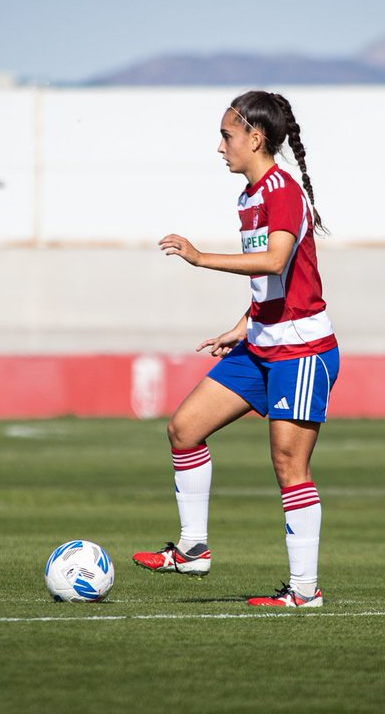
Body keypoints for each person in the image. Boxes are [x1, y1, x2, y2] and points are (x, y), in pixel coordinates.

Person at [132, 91, 340, 608]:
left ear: (256, 138)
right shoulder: (248, 196)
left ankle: (303, 592)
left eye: (227, 135)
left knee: (289, 466)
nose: (220, 146)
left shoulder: (283, 191)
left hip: (302, 350)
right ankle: (193, 548)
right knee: (184, 428)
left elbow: (275, 262)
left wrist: (200, 258)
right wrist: (244, 326)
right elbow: (276, 282)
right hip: (263, 345)